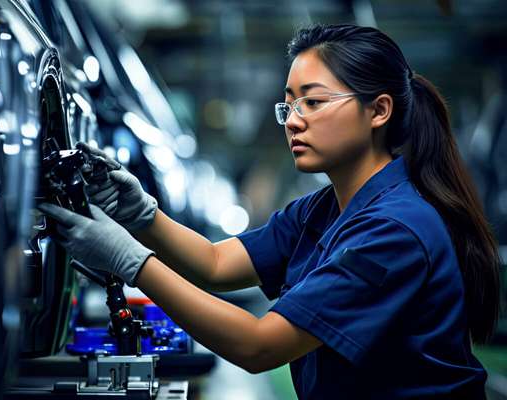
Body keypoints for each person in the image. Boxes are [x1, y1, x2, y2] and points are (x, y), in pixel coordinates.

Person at [39, 24, 501, 399]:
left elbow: (259, 345)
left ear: (378, 111)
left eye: (314, 102)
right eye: (290, 104)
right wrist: (143, 216)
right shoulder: (322, 210)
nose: (294, 120)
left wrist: (130, 261)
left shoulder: (396, 230)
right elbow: (216, 264)